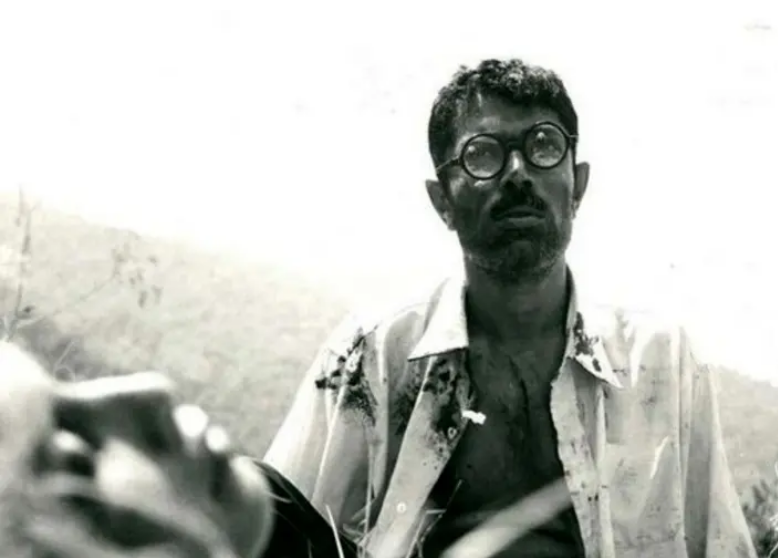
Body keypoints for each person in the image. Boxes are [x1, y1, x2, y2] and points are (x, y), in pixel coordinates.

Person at [5, 57, 758, 558]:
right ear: (441, 200)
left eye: (542, 146)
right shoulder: (371, 354)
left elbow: (722, 545)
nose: (518, 174)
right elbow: (279, 524)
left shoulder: (661, 362)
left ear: (578, 183)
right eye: (483, 155)